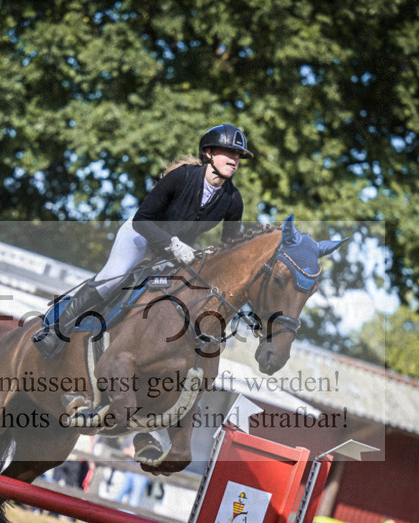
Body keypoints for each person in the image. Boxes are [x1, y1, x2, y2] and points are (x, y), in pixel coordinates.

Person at [32, 124, 253, 358]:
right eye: (228, 152)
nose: (234, 159)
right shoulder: (182, 176)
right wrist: (173, 244)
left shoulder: (233, 199)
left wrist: (211, 255)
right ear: (208, 153)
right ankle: (55, 331)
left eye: (238, 155)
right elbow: (142, 220)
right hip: (140, 235)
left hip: (174, 253)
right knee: (110, 279)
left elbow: (230, 249)